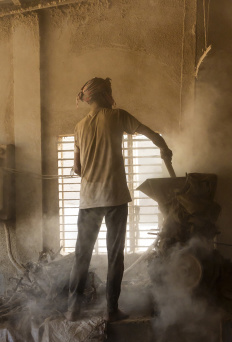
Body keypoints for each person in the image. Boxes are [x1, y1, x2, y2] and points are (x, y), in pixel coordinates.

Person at [66, 77, 173, 323]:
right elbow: (150, 133)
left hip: (89, 199)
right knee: (115, 255)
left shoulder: (79, 126)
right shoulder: (117, 116)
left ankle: (73, 310)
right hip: (114, 197)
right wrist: (164, 146)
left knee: (82, 255)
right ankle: (112, 310)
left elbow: (78, 168)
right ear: (104, 95)